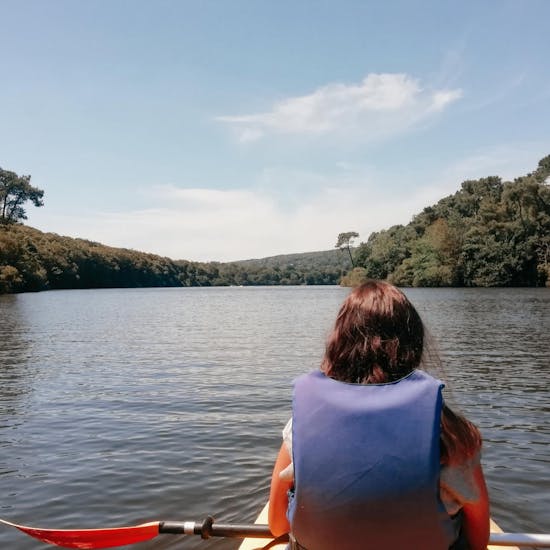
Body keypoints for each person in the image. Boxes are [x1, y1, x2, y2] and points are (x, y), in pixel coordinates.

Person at [268, 280, 489, 550]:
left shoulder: (300, 427)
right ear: (413, 345)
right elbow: (479, 540)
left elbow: (277, 524)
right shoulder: (453, 436)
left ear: (338, 345)